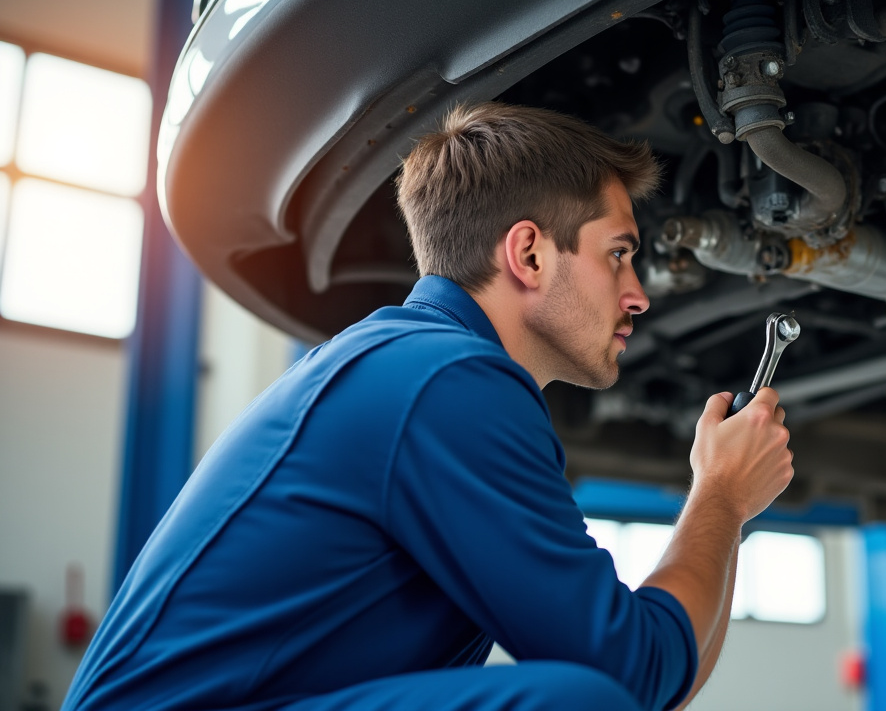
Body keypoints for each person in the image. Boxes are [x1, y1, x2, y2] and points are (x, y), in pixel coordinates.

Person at [64, 102, 794, 711]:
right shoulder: (445, 383)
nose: (638, 293)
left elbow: (657, 677)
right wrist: (720, 499)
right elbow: (632, 675)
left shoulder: (411, 365)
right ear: (529, 255)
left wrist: (724, 508)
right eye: (617, 254)